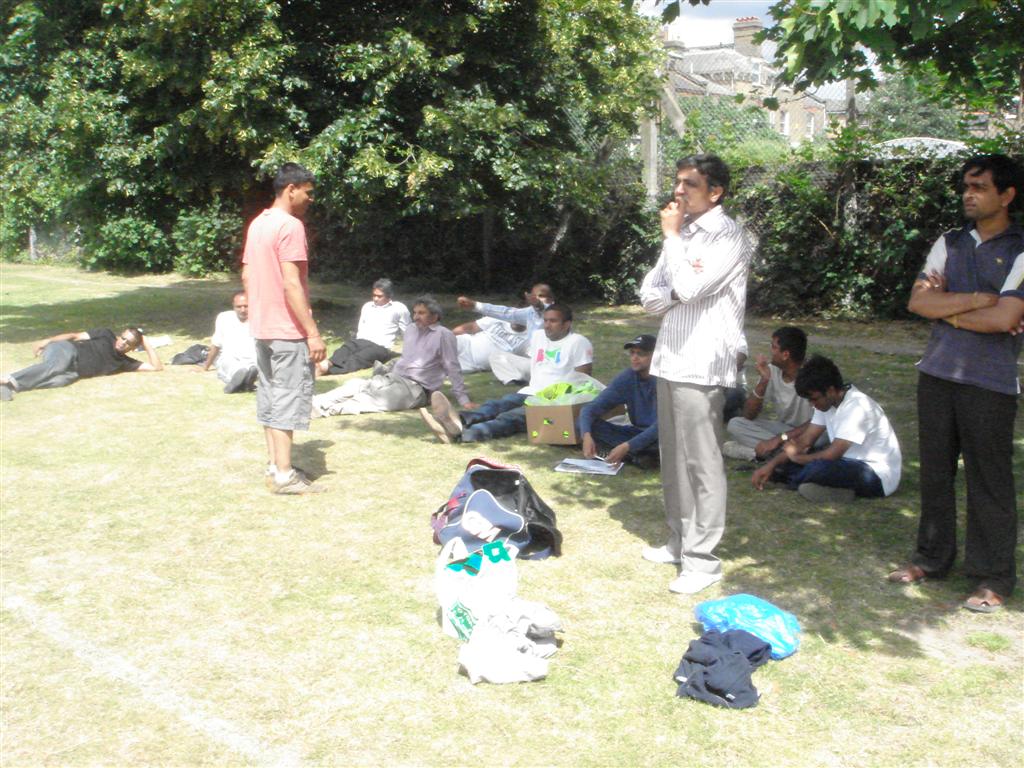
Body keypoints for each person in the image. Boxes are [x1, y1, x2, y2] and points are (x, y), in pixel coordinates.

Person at [888, 153, 1024, 614]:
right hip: (937, 374)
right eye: (966, 186)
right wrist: (972, 305)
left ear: (1006, 195)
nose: (969, 194)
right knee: (936, 474)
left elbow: (1008, 316)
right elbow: (919, 302)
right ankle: (930, 558)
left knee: (990, 482)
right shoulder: (949, 242)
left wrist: (950, 310)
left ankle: (993, 577)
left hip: (991, 383)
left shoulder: (1021, 248)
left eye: (980, 187)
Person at [638, 153, 752, 595]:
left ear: (715, 192)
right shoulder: (682, 234)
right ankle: (679, 540)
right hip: (670, 356)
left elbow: (687, 288)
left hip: (702, 361)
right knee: (673, 457)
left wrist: (671, 242)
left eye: (689, 184)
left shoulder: (728, 235)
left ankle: (703, 562)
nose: (678, 191)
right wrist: (675, 260)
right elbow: (650, 297)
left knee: (701, 462)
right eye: (677, 182)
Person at [241, 162, 326, 495]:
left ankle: (275, 465)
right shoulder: (290, 226)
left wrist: (258, 311)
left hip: (262, 328)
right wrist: (313, 332)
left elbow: (247, 276)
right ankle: (285, 476)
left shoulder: (258, 224)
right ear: (292, 188)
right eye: (308, 191)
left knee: (270, 396)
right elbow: (291, 283)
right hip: (287, 331)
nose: (310, 199)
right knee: (288, 399)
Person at [420, 303, 593, 444]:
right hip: (531, 391)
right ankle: (456, 420)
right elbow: (512, 316)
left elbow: (583, 380)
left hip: (554, 399)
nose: (547, 325)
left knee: (511, 417)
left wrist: (561, 404)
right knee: (497, 405)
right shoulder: (538, 336)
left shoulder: (578, 342)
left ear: (567, 324)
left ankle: (462, 435)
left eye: (553, 321)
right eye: (546, 320)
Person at [750, 355, 901, 502]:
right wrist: (772, 465)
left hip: (876, 474)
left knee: (818, 468)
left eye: (814, 399)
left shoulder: (857, 407)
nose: (811, 404)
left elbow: (832, 454)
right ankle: (822, 487)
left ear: (830, 390)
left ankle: (797, 482)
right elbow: (804, 442)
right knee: (785, 460)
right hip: (843, 463)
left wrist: (797, 458)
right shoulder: (826, 405)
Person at [311, 296, 475, 416]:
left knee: (367, 400)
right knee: (355, 385)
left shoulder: (444, 335)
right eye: (415, 312)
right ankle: (312, 402)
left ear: (435, 316)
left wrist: (463, 400)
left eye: (421, 313)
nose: (416, 316)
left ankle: (321, 409)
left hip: (417, 389)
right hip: (395, 377)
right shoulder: (411, 329)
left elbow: (452, 367)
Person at [723, 326, 814, 461]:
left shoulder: (812, 374)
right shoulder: (772, 371)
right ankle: (789, 454)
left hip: (812, 432)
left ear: (785, 355)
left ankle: (758, 454)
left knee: (820, 437)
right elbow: (748, 415)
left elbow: (820, 422)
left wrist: (779, 439)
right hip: (786, 430)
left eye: (774, 347)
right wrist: (764, 381)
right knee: (736, 424)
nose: (770, 352)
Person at [1, 327, 163, 400]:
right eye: (123, 338)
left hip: (75, 371)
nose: (123, 343)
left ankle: (10, 387)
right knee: (58, 366)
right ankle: (7, 379)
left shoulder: (125, 363)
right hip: (65, 349)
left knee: (62, 380)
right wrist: (48, 341)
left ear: (134, 348)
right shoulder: (106, 334)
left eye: (129, 343)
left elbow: (157, 367)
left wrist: (146, 342)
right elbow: (74, 336)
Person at [577, 333, 659, 468]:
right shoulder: (627, 377)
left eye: (641, 354)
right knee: (583, 424)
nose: (634, 358)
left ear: (655, 356)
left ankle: (636, 455)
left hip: (662, 436)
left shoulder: (664, 381)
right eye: (632, 353)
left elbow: (662, 426)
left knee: (663, 441)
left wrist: (627, 446)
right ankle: (639, 457)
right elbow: (589, 409)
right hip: (636, 432)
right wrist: (586, 436)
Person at [456, 283, 555, 384]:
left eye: (542, 296)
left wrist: (539, 305)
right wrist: (475, 305)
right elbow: (505, 312)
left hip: (550, 366)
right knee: (497, 356)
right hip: (534, 364)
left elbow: (545, 310)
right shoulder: (529, 313)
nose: (537, 299)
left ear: (552, 300)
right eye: (535, 296)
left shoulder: (558, 314)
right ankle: (516, 381)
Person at [316, 278, 410, 376]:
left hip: (380, 346)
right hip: (361, 341)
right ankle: (326, 364)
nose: (375, 298)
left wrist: (409, 351)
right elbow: (361, 327)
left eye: (379, 296)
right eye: (374, 295)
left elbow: (407, 331)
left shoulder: (399, 308)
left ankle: (327, 371)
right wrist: (357, 341)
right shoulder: (367, 306)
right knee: (344, 350)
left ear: (389, 295)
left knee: (358, 359)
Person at [196, 291, 258, 393]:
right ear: (233, 306)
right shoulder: (224, 318)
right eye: (239, 307)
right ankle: (242, 381)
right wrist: (206, 366)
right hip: (230, 358)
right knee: (232, 367)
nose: (243, 310)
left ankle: (243, 382)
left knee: (252, 368)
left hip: (253, 360)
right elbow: (216, 344)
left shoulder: (259, 319)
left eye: (246, 306)